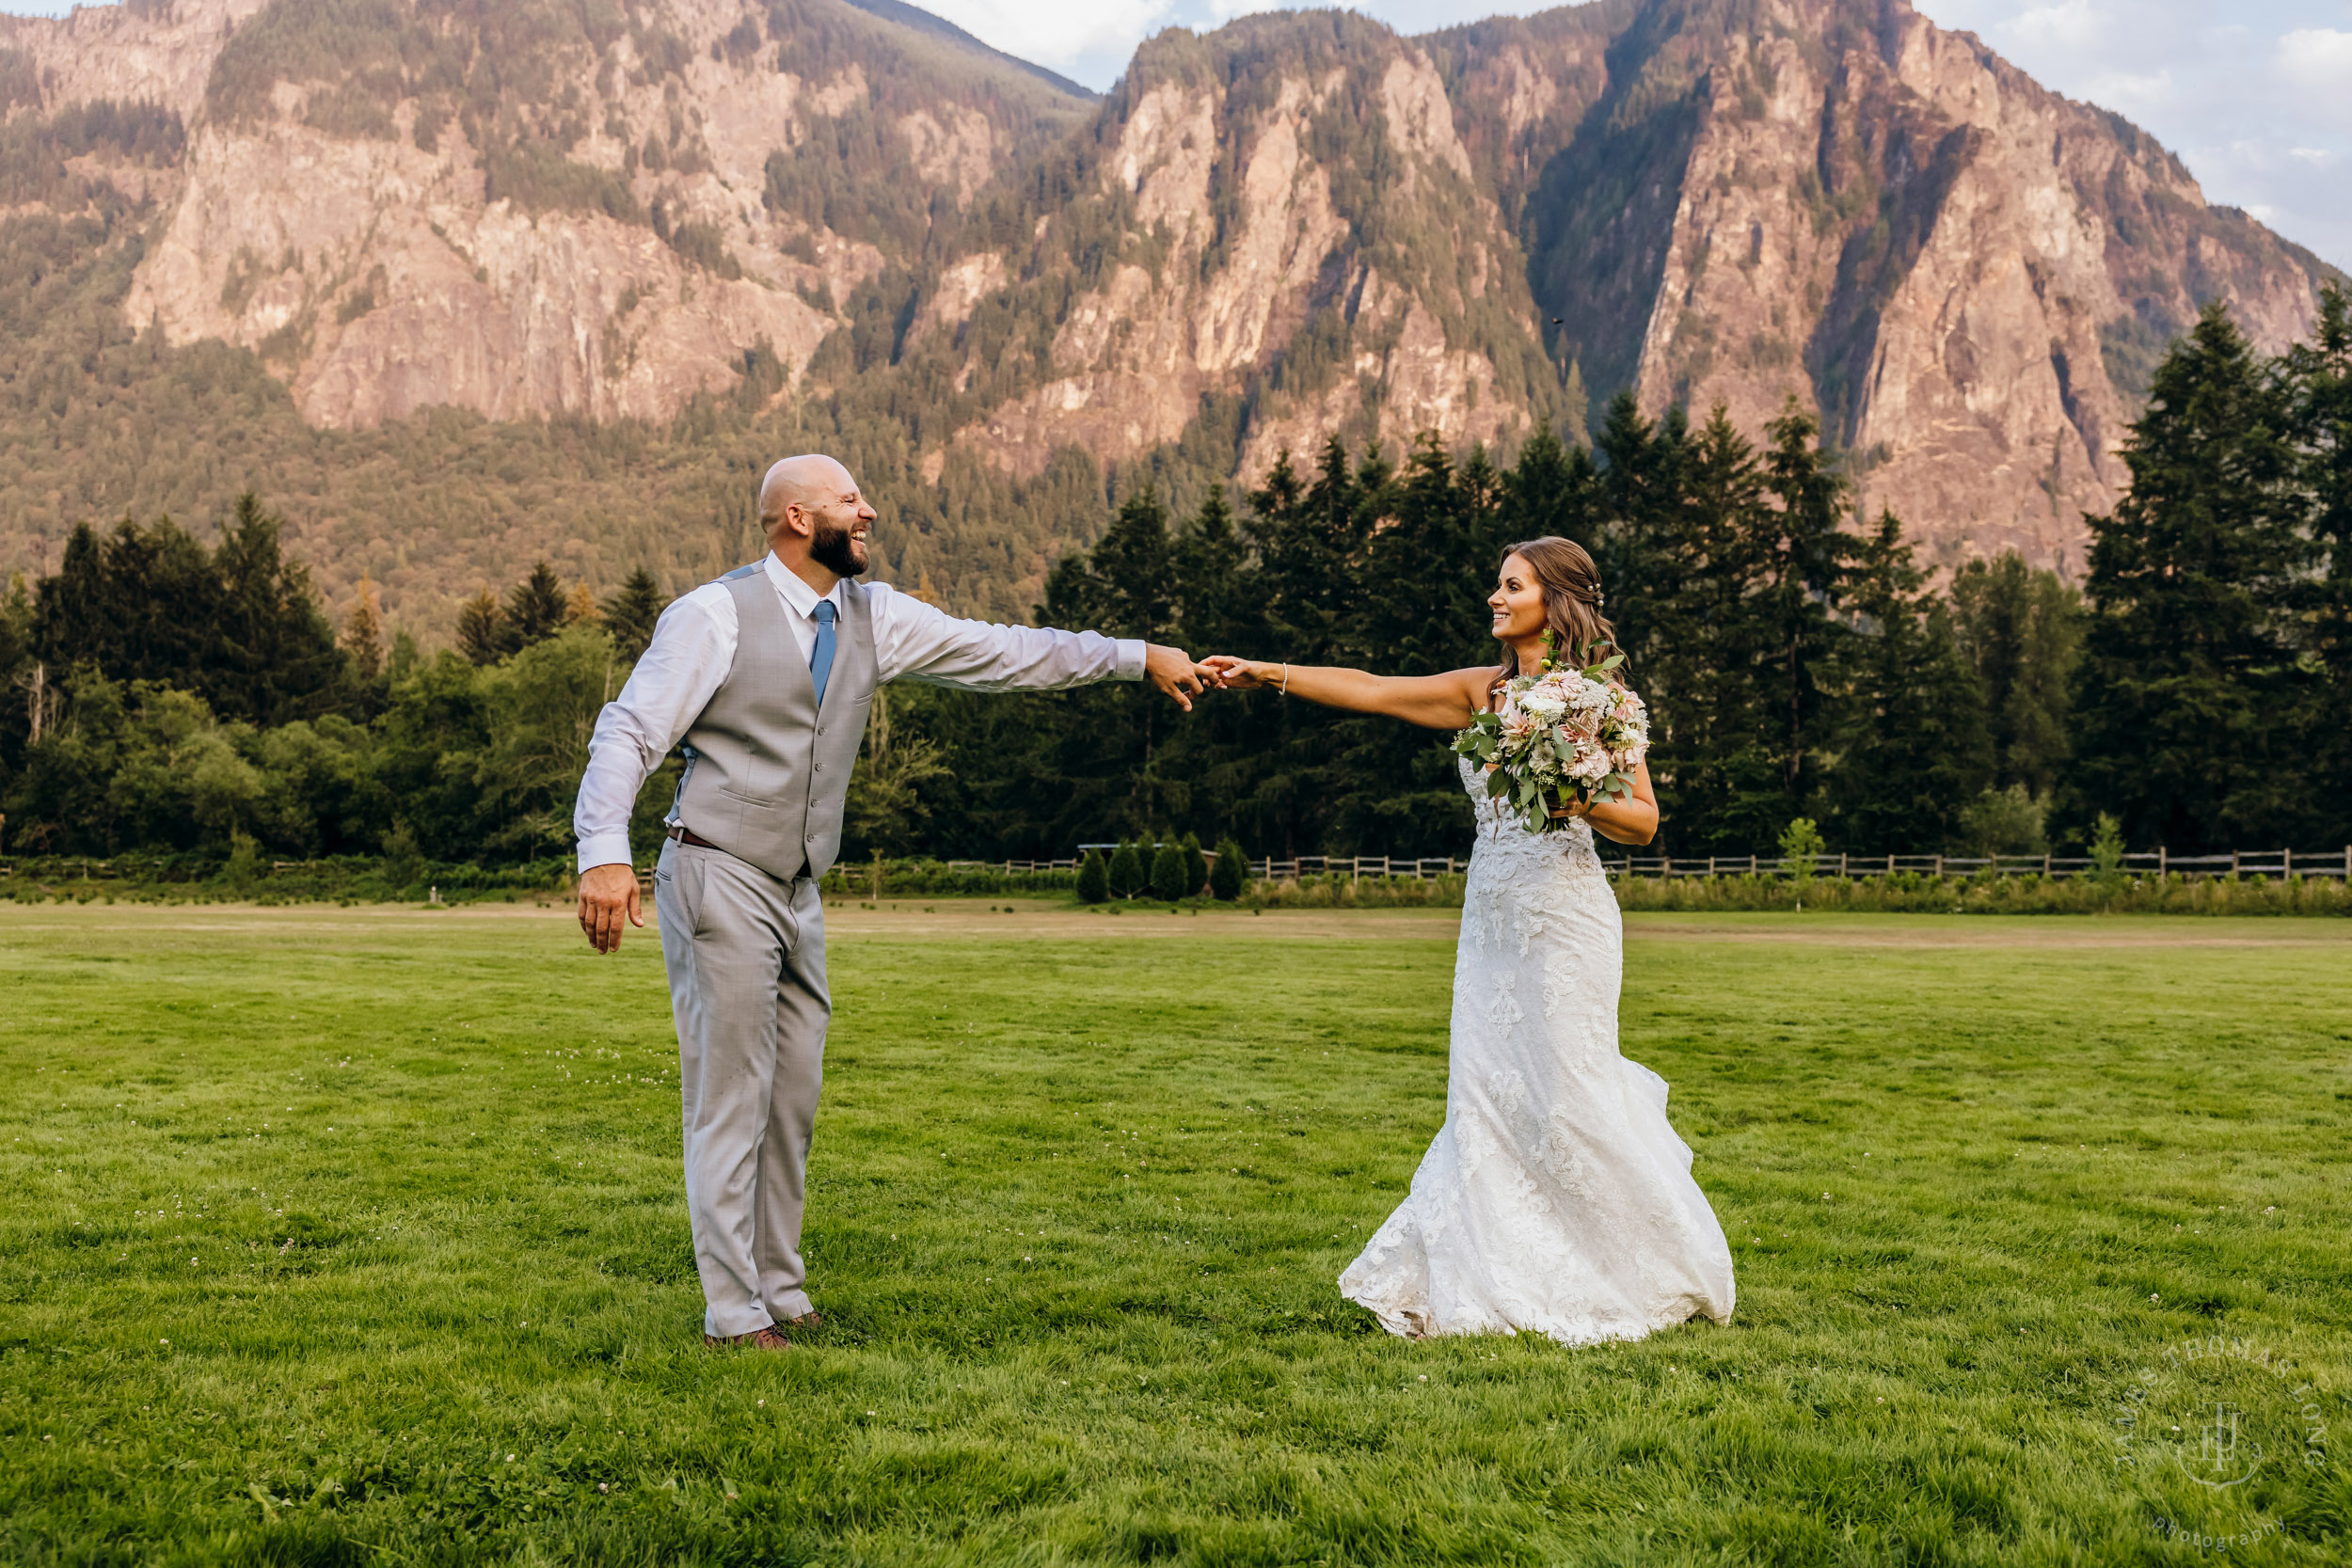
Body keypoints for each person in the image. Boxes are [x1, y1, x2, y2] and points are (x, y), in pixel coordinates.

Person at [573, 454, 1205, 1350]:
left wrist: (1135, 657)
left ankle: (781, 1290)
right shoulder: (712, 615)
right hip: (714, 868)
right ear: (796, 517)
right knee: (731, 1093)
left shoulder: (877, 617)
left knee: (791, 1093)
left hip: (797, 888)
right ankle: (731, 1311)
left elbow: (1009, 653)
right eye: (848, 500)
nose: (867, 512)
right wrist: (602, 853)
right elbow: (630, 731)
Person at [1200, 536, 1734, 1345]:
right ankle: (1485, 1270)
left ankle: (1637, 1267)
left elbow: (1644, 820)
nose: (1494, 596)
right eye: (1496, 584)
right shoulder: (1480, 692)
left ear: (1553, 600)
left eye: (1510, 585)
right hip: (1490, 917)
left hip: (1565, 917)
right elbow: (1374, 690)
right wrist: (1268, 671)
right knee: (1486, 1092)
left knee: (1567, 1093)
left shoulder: (1601, 698)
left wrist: (1572, 792)